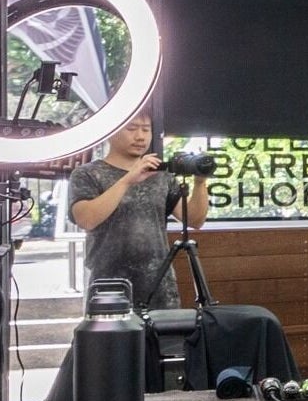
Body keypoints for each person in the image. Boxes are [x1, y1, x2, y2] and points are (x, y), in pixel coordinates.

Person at [66, 114, 208, 312]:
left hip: (159, 286)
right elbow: (86, 219)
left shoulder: (160, 175)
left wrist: (200, 182)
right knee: (111, 343)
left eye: (146, 129)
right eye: (131, 129)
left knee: (167, 342)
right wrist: (127, 180)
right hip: (109, 286)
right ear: (111, 132)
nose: (140, 136)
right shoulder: (87, 173)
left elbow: (195, 220)